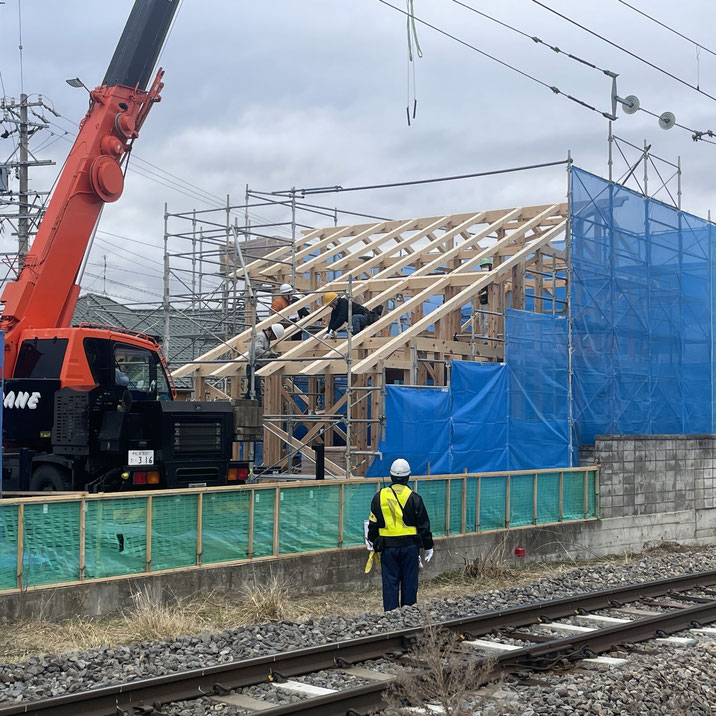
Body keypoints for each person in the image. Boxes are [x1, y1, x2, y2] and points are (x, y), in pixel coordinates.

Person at [366, 458, 434, 611]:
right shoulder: (415, 498)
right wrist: (428, 546)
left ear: (391, 476)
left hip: (388, 549)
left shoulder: (379, 497)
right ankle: (408, 614)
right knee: (409, 582)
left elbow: (373, 524)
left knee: (390, 583)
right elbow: (424, 526)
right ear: (408, 477)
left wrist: (372, 541)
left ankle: (391, 615)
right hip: (410, 548)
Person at [245, 323, 284, 401]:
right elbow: (256, 350)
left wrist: (273, 354)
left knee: (253, 388)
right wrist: (269, 354)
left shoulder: (266, 339)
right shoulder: (261, 337)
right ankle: (252, 405)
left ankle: (248, 402)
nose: (273, 339)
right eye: (273, 337)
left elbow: (267, 349)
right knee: (255, 389)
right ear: (270, 331)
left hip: (257, 366)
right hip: (253, 366)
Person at [478, 258, 492, 345]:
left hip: (488, 303)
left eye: (485, 266)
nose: (484, 268)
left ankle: (487, 340)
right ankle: (484, 340)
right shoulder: (480, 278)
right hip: (482, 303)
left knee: (487, 322)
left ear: (490, 267)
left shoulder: (491, 277)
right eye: (483, 266)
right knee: (482, 323)